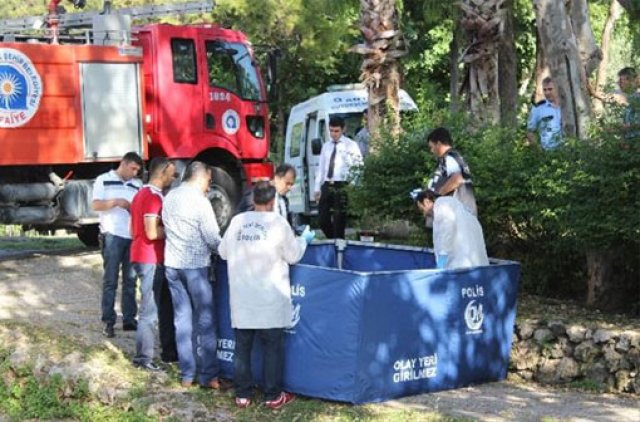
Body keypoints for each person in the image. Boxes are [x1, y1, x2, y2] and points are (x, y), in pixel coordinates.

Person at [218, 181, 315, 409]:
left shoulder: (238, 221)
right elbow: (293, 256)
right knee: (272, 348)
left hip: (243, 297)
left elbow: (223, 252)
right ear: (272, 202)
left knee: (242, 348)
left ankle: (243, 395)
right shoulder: (278, 223)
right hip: (270, 297)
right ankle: (272, 396)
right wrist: (304, 240)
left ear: (253, 200)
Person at [162, 161, 222, 389]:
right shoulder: (200, 201)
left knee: (182, 321)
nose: (209, 186)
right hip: (195, 267)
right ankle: (209, 375)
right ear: (200, 177)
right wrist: (226, 251)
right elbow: (212, 237)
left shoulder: (170, 197)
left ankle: (187, 374)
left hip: (173, 266)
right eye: (209, 180)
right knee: (205, 321)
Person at [129, 157, 178, 371]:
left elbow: (134, 230)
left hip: (145, 255)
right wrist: (174, 231)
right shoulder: (152, 197)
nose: (174, 178)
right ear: (163, 172)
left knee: (162, 306)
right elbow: (151, 231)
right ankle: (143, 358)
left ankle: (168, 352)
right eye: (172, 174)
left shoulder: (141, 194)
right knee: (149, 311)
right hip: (150, 257)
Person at [92, 152, 143, 338]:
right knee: (110, 280)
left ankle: (129, 318)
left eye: (138, 170)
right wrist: (116, 202)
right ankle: (108, 321)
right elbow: (96, 205)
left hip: (131, 236)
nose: (135, 173)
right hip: (112, 235)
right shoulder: (103, 180)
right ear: (124, 164)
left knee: (131, 280)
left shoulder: (137, 185)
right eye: (133, 169)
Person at [414, 189, 488, 270]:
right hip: (478, 265)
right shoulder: (459, 207)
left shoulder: (441, 205)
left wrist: (441, 265)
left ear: (426, 201)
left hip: (461, 267)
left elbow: (446, 235)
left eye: (422, 209)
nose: (424, 214)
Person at [314, 117, 363, 239]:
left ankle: (338, 244)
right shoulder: (326, 146)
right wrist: (317, 188)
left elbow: (358, 166)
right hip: (327, 183)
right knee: (322, 219)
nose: (333, 134)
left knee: (339, 219)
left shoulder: (351, 145)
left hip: (342, 184)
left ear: (343, 130)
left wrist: (353, 185)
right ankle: (333, 240)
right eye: (331, 131)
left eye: (336, 131)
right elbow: (321, 168)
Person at [426, 127, 477, 218]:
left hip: (458, 215)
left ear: (438, 144)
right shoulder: (452, 157)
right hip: (461, 214)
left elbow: (458, 178)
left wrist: (437, 195)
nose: (431, 151)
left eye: (431, 147)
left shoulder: (450, 158)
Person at [526, 77, 563, 150]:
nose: (547, 93)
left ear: (557, 89)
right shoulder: (538, 109)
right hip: (548, 153)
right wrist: (539, 150)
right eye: (545, 90)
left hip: (568, 152)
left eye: (550, 89)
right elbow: (530, 132)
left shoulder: (566, 107)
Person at [617, 67, 640, 140]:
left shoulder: (637, 99)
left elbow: (637, 125)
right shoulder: (630, 99)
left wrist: (615, 129)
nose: (618, 83)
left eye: (621, 80)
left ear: (631, 81)